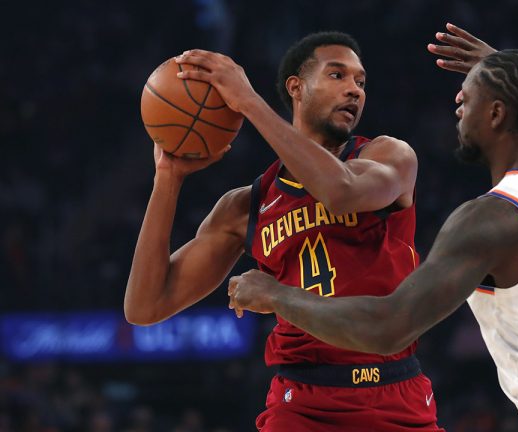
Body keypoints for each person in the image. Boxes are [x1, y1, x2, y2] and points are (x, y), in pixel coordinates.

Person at [226, 24, 518, 431]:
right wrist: (511, 69)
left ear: (497, 114)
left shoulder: (490, 219)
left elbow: (388, 329)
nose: (457, 106)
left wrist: (276, 295)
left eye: (468, 97)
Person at [125, 32, 444, 432]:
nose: (354, 90)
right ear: (296, 87)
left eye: (360, 82)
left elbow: (339, 192)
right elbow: (145, 307)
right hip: (300, 404)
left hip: (394, 394)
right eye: (337, 75)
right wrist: (167, 179)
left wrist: (248, 101)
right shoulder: (247, 205)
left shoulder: (387, 156)